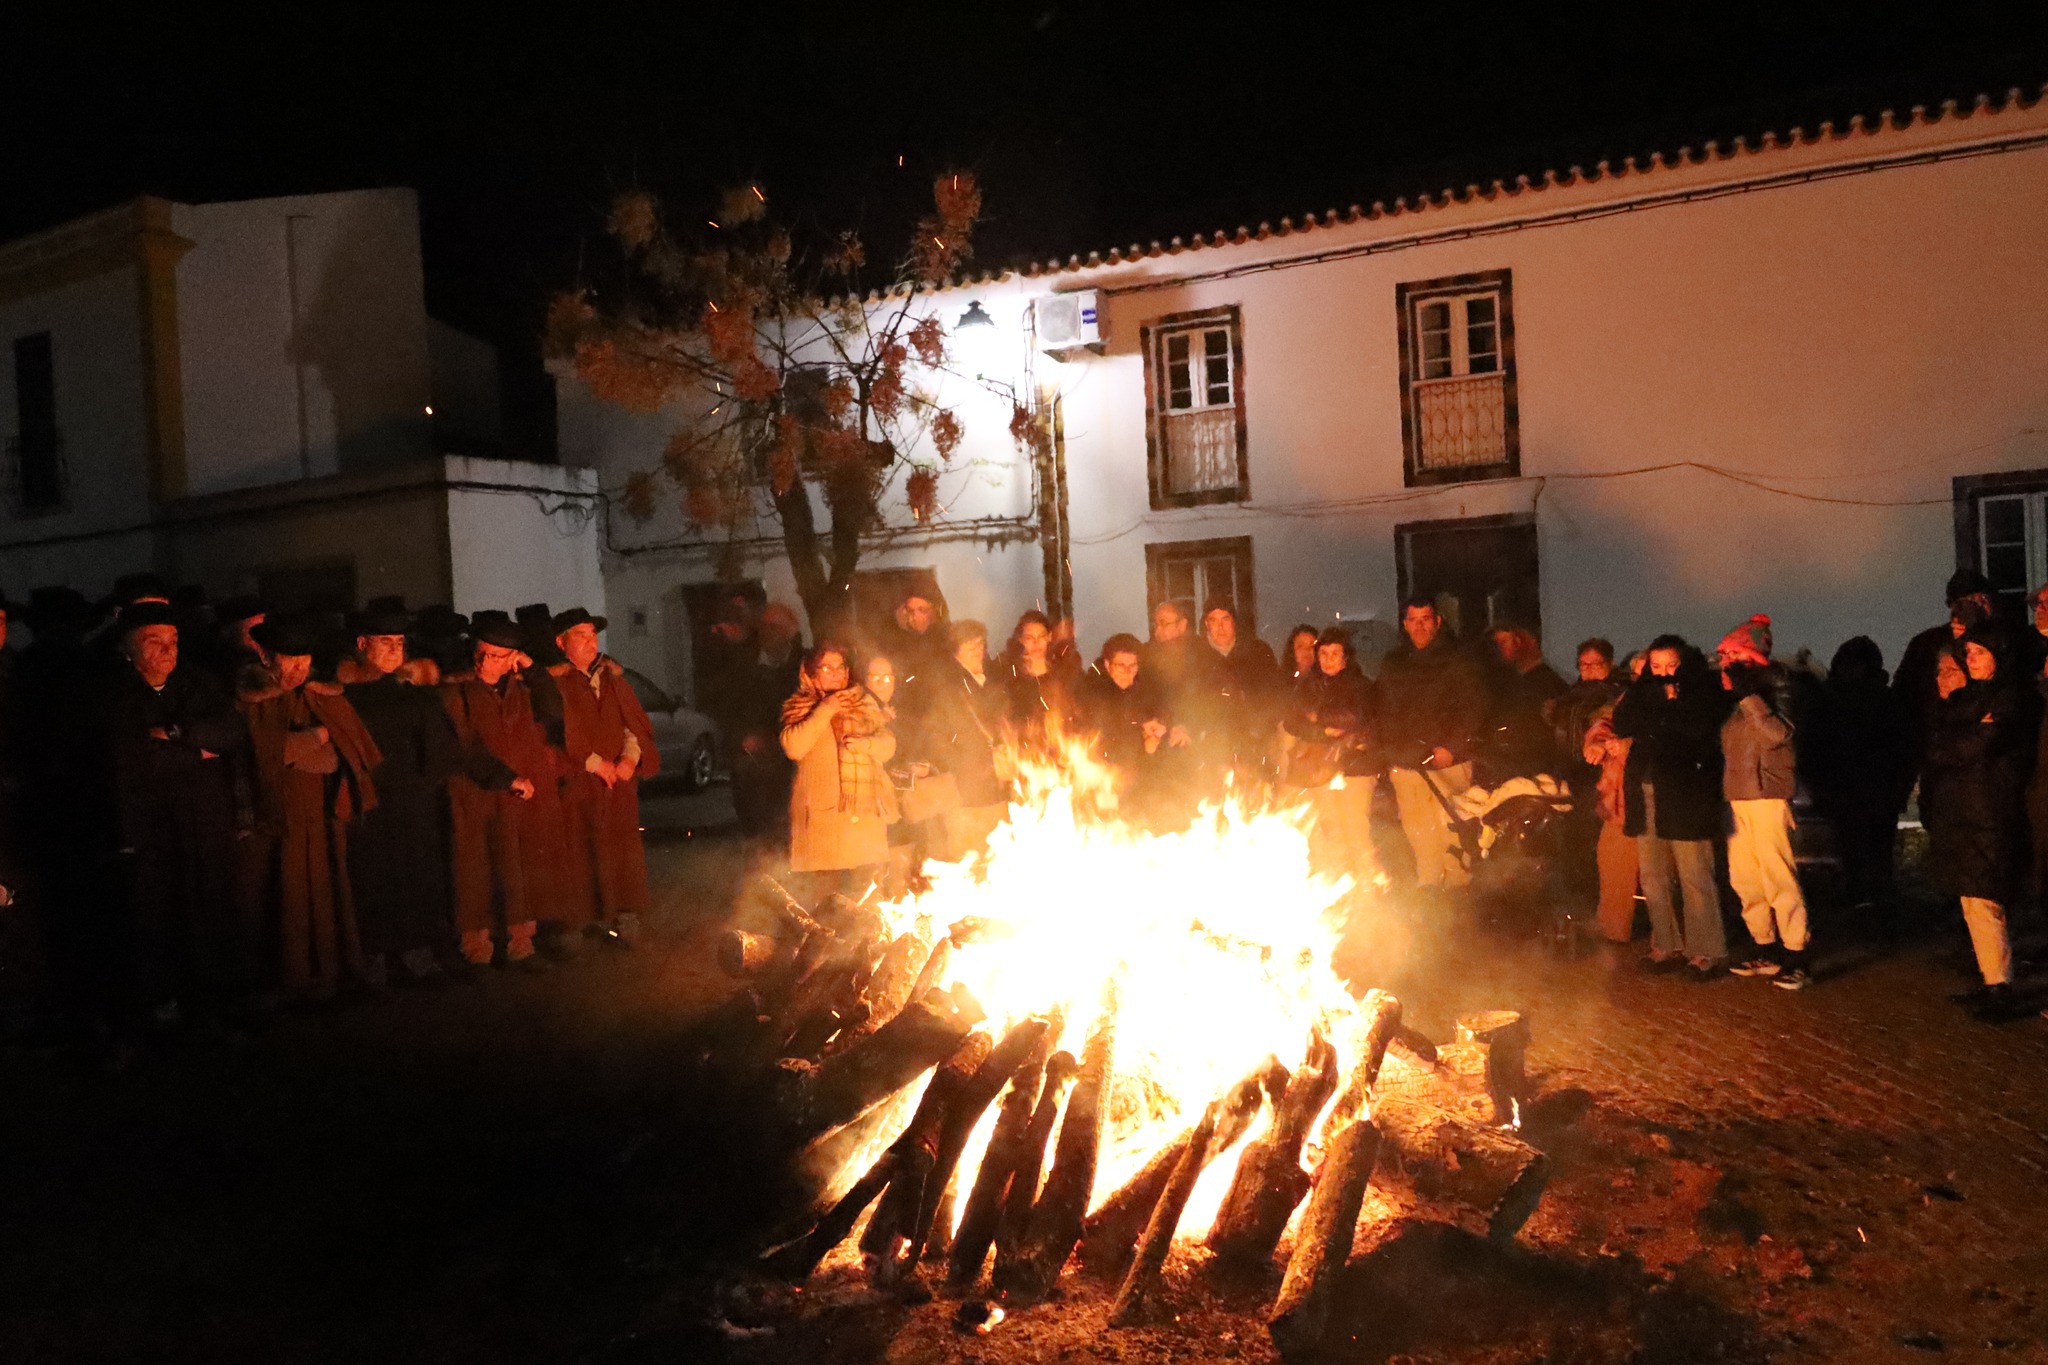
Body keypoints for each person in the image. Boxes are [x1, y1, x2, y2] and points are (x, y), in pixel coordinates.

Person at [105, 602, 248, 1026]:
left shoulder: (200, 684)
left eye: (174, 641)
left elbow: (230, 734)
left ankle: (213, 997)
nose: (168, 651)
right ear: (129, 649)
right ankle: (162, 1001)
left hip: (203, 820)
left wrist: (174, 733)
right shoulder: (113, 696)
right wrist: (195, 752)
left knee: (209, 906)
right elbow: (127, 756)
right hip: (149, 825)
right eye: (155, 642)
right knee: (157, 912)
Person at [238, 614, 383, 1002]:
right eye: (290, 662)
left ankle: (331, 974)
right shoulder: (254, 698)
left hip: (322, 812)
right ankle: (294, 980)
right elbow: (266, 754)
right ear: (268, 658)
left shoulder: (322, 694)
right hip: (278, 815)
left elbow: (342, 752)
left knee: (325, 889)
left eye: (305, 662)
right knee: (286, 892)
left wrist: (309, 745)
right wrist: (314, 737)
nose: (299, 671)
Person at [337, 603, 481, 984]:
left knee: (417, 874)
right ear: (362, 644)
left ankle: (416, 953)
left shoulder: (414, 693)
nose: (394, 650)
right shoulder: (347, 695)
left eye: (399, 642)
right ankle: (377, 960)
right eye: (385, 641)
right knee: (374, 877)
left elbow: (440, 745)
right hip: (370, 802)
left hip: (414, 800)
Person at [1923, 629, 2028, 1022]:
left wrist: (1963, 737)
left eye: (1979, 652)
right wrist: (1967, 732)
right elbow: (1943, 743)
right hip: (1964, 811)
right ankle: (1991, 979)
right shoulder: (1972, 699)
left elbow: (1975, 746)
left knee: (1985, 901)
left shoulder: (2008, 697)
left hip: (1988, 811)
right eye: (1968, 653)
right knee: (1972, 900)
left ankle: (2000, 986)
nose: (1972, 660)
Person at [1611, 635, 1729, 978]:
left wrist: (1672, 702)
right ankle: (1665, 942)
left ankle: (1706, 950)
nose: (1664, 672)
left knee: (1694, 873)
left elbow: (1697, 729)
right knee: (1652, 874)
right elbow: (1622, 722)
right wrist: (1646, 695)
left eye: (1671, 665)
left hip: (1685, 793)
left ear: (1684, 663)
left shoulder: (1703, 690)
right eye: (1656, 666)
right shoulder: (1643, 691)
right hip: (1646, 788)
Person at [543, 607, 659, 947]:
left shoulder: (612, 680)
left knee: (622, 850)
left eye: (592, 635)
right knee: (577, 851)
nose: (590, 642)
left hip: (618, 785)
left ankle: (625, 916)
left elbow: (632, 724)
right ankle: (574, 924)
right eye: (580, 635)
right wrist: (595, 764)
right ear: (561, 642)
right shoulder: (554, 685)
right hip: (579, 783)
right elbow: (554, 735)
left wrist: (629, 759)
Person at [440, 619, 548, 968]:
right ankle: (477, 950)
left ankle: (520, 944)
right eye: (482, 653)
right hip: (473, 794)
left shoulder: (519, 690)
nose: (485, 662)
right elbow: (463, 745)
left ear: (512, 659)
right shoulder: (457, 692)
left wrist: (531, 668)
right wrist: (505, 777)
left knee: (515, 867)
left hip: (513, 796)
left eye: (496, 656)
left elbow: (553, 708)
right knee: (474, 871)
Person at [1715, 615, 1814, 991]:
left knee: (1778, 877)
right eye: (1723, 657)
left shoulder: (1778, 687)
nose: (1724, 664)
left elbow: (1778, 735)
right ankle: (1765, 948)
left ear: (1751, 657)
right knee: (1745, 879)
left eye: (1732, 656)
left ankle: (1797, 956)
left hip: (1769, 796)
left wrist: (1747, 697)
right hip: (1739, 798)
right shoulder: (1739, 697)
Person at [1376, 598, 1488, 892]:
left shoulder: (1458, 660)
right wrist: (1390, 753)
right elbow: (1383, 709)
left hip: (1447, 764)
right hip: (1406, 764)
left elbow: (1473, 707)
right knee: (1417, 831)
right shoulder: (1394, 663)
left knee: (1451, 831)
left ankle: (1457, 892)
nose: (1420, 626)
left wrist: (1451, 747)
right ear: (1405, 624)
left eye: (1425, 619)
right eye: (1413, 620)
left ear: (1438, 621)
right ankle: (1429, 891)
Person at [1805, 637, 1910, 920]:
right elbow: (1903, 750)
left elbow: (1812, 748)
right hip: (1871, 792)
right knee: (1873, 855)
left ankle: (1863, 903)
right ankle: (1877, 908)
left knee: (1856, 852)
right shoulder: (1886, 700)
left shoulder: (1829, 700)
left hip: (1854, 792)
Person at [781, 642, 898, 893]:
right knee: (827, 901)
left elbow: (888, 745)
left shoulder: (864, 703)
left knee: (867, 900)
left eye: (840, 667)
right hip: (824, 824)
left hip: (864, 820)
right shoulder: (802, 706)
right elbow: (794, 747)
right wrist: (826, 709)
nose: (835, 673)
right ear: (811, 673)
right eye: (827, 667)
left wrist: (866, 744)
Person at [1284, 627, 1381, 884]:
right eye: (1323, 653)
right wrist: (1323, 730)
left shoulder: (1361, 685)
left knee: (1355, 829)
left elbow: (1355, 717)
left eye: (1334, 654)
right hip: (1321, 767)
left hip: (1355, 768)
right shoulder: (1308, 686)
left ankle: (1368, 886)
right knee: (1331, 829)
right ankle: (1341, 887)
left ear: (1346, 657)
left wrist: (1318, 717)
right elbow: (1292, 721)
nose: (1328, 660)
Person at [906, 619, 1010, 859]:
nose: (977, 649)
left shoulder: (991, 682)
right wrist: (962, 766)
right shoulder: (946, 687)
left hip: (996, 783)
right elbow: (935, 735)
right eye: (969, 644)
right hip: (966, 791)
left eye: (980, 643)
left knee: (999, 857)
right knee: (970, 857)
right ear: (955, 649)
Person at [1551, 639, 1627, 928]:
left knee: (1590, 842)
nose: (1590, 670)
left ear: (1609, 664)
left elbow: (1603, 725)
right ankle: (1572, 906)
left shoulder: (1616, 694)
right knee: (1568, 839)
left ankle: (1592, 906)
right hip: (1569, 772)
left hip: (1596, 775)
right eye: (1584, 665)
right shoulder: (1571, 695)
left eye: (1597, 664)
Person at [1895, 568, 1996, 759]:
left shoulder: (1999, 642)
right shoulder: (1926, 644)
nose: (1978, 606)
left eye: (1983, 600)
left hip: (1980, 743)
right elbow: (1903, 697)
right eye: (1969, 601)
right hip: (1936, 744)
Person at [1075, 632, 1173, 817]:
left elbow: (1163, 719)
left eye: (1132, 665)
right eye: (1121, 666)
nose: (1128, 672)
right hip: (1102, 778)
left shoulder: (1147, 691)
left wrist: (1154, 740)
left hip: (1140, 780)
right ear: (1107, 665)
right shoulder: (1091, 694)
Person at [1200, 599, 1282, 782]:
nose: (1220, 627)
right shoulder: (1197, 657)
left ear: (1234, 621)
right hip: (1213, 741)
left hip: (1255, 735)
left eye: (1225, 619)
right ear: (1206, 624)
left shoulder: (1258, 652)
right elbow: (1191, 701)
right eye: (1213, 621)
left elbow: (1274, 694)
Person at [1483, 621, 1566, 780]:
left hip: (1536, 770)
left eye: (1503, 642)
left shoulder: (1548, 684)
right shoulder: (1509, 682)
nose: (1499, 649)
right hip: (1512, 766)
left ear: (1520, 641)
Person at [1002, 609, 1079, 753]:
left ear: (1049, 637)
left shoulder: (1064, 676)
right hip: (1025, 756)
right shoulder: (1012, 681)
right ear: (1021, 640)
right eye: (1029, 638)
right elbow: (1008, 722)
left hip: (1061, 752)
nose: (1036, 643)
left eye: (1041, 636)